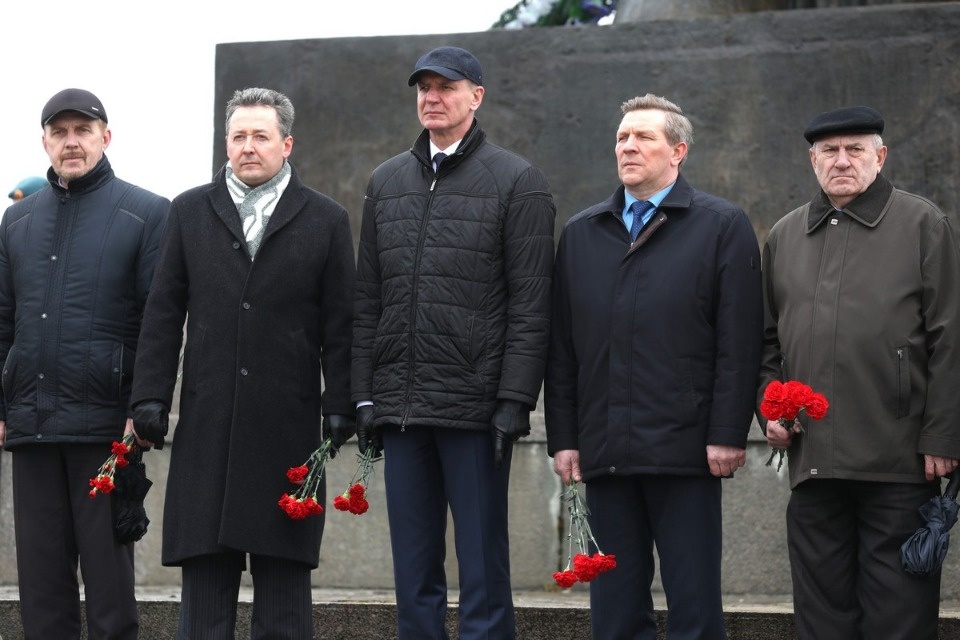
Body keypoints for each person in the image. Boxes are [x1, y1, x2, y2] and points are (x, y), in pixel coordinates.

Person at [130, 87, 356, 639]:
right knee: (204, 606)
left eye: (261, 135)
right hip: (208, 429)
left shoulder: (326, 219)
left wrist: (342, 402)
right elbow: (162, 313)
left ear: (287, 143)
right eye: (238, 136)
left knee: (282, 608)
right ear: (225, 144)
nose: (248, 147)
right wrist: (150, 396)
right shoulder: (188, 212)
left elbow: (342, 327)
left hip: (287, 436)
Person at [352, 46, 556, 639]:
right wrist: (364, 396)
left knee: (482, 566)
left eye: (447, 87)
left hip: (475, 408)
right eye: (424, 88)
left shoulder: (518, 181)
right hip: (403, 408)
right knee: (412, 570)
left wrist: (515, 400)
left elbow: (531, 303)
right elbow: (368, 299)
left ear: (477, 96)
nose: (432, 98)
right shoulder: (385, 182)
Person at [545, 93, 763, 639]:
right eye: (622, 137)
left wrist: (727, 433)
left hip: (687, 451)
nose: (629, 146)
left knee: (693, 605)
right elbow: (563, 349)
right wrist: (564, 439)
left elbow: (739, 342)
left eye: (643, 136)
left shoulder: (721, 225)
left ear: (678, 151)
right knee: (615, 612)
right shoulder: (581, 234)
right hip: (605, 453)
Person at [758, 106, 960, 640]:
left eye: (855, 150)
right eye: (830, 151)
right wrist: (768, 408)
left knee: (899, 618)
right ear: (812, 159)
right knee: (821, 619)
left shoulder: (922, 224)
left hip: (898, 459)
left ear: (880, 156)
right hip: (813, 465)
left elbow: (950, 337)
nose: (841, 161)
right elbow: (766, 344)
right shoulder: (783, 236)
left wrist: (943, 434)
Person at [0, 88, 169, 639]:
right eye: (60, 132)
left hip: (106, 428)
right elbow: (3, 321)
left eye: (83, 130)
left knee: (109, 593)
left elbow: (157, 323)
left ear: (105, 136)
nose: (71, 142)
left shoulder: (147, 213)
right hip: (32, 426)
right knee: (42, 593)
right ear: (45, 141)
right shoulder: (16, 222)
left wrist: (145, 405)